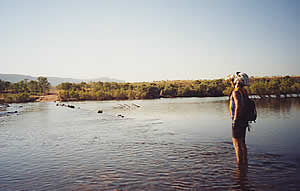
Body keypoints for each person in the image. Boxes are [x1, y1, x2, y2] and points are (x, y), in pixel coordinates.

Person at [227, 72, 250, 165]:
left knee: (237, 145)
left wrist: (235, 121)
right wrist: (232, 80)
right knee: (242, 144)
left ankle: (239, 165)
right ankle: (245, 163)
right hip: (244, 120)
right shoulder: (243, 91)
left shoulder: (236, 92)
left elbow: (238, 107)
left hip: (238, 120)